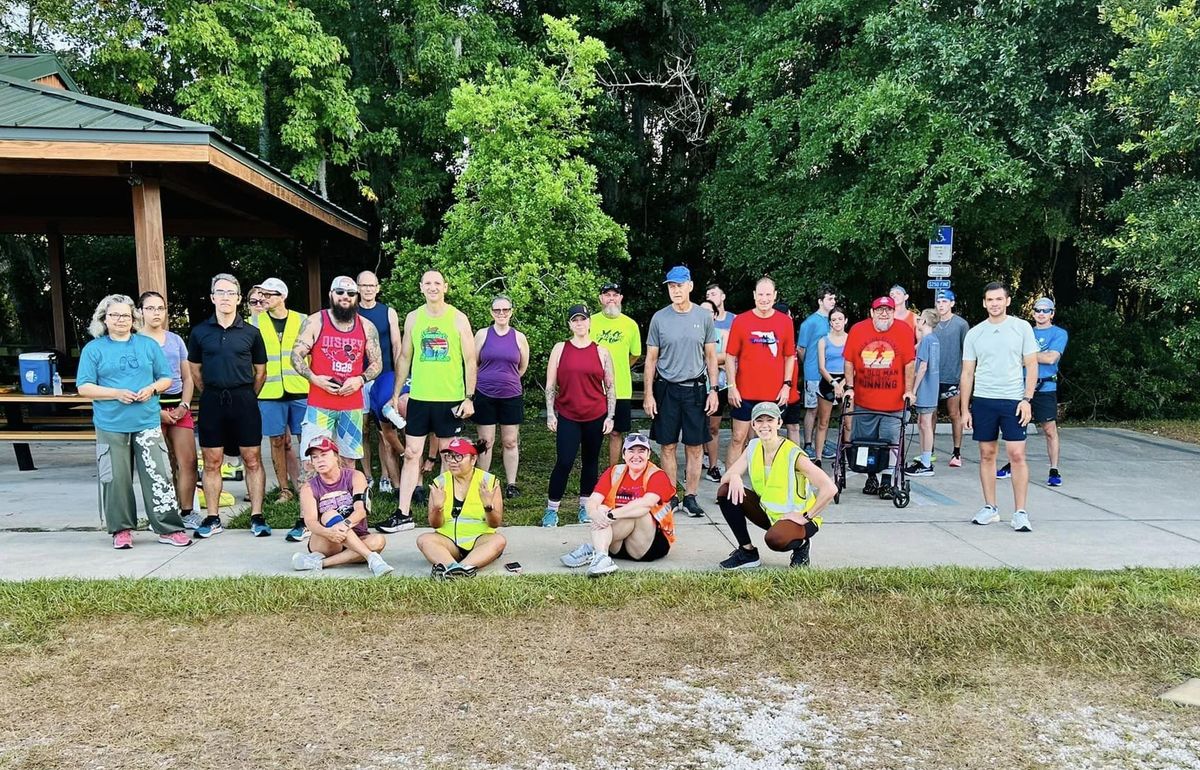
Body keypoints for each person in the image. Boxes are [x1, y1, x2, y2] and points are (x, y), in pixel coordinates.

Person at [78, 294, 191, 550]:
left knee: (158, 474)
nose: (120, 320)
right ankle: (122, 529)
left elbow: (166, 379)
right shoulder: (94, 349)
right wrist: (115, 393)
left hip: (147, 421)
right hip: (110, 423)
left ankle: (169, 528)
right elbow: (84, 386)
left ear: (133, 319)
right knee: (116, 479)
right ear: (104, 319)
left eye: (126, 315)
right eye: (114, 315)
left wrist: (151, 389)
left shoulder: (147, 345)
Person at [380, 270, 477, 534]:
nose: (432, 287)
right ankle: (403, 513)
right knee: (412, 453)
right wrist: (395, 392)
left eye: (437, 283)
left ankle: (446, 513)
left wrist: (469, 397)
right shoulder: (414, 317)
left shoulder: (458, 318)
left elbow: (470, 360)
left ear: (445, 287)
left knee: (449, 458)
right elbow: (404, 358)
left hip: (450, 398)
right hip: (420, 398)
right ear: (421, 287)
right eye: (427, 283)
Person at [187, 273, 269, 538]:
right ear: (212, 297)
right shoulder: (199, 332)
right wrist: (214, 391)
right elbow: (195, 371)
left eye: (230, 293)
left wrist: (244, 395)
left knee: (252, 459)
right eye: (219, 292)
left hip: (244, 400)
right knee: (212, 462)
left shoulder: (252, 333)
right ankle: (212, 518)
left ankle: (257, 516)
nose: (225, 297)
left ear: (238, 298)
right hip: (212, 400)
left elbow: (260, 373)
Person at [717, 402, 835, 570]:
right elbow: (725, 479)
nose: (765, 425)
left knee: (775, 539)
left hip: (797, 519)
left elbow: (830, 489)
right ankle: (747, 552)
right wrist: (734, 475)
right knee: (726, 491)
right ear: (753, 425)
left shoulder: (793, 454)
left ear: (779, 423)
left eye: (770, 420)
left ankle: (801, 545)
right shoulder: (754, 446)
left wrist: (805, 517)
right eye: (759, 421)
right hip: (770, 513)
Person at [961, 282, 1040, 532]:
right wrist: (965, 409)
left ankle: (1020, 512)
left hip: (1014, 400)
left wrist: (1027, 399)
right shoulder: (975, 333)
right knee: (987, 455)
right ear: (984, 303)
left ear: (1007, 301)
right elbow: (967, 373)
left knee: (1017, 455)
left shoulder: (1021, 328)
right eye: (989, 300)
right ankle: (990, 508)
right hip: (984, 400)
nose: (994, 304)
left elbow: (1032, 365)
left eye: (998, 299)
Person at [290, 276, 383, 481]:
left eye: (350, 294)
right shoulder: (316, 321)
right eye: (340, 292)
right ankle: (312, 507)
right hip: (319, 404)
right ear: (331, 294)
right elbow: (296, 356)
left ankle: (348, 503)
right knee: (312, 459)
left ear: (356, 297)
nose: (345, 297)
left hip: (351, 404)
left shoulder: (366, 326)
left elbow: (377, 363)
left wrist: (360, 379)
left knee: (349, 458)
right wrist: (314, 378)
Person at [644, 266, 719, 517]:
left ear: (690, 286)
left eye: (679, 285)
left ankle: (691, 496)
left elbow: (710, 356)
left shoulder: (703, 317)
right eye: (671, 286)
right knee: (667, 445)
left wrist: (714, 390)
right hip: (666, 389)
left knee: (695, 446)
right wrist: (648, 394)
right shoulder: (659, 318)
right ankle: (671, 495)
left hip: (696, 389)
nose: (675, 290)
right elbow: (651, 360)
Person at [560, 432, 677, 577]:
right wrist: (595, 514)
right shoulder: (614, 472)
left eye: (641, 451)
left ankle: (593, 549)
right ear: (623, 455)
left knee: (637, 511)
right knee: (600, 508)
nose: (636, 456)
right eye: (631, 451)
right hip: (618, 543)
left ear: (648, 455)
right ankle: (602, 556)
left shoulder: (657, 475)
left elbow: (646, 503)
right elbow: (592, 501)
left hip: (648, 544)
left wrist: (611, 515)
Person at [544, 304, 616, 526]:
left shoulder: (602, 352)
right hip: (568, 415)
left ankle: (585, 507)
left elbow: (611, 387)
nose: (579, 323)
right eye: (575, 320)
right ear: (570, 324)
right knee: (564, 461)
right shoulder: (560, 349)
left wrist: (610, 416)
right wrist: (550, 414)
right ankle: (551, 509)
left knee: (590, 462)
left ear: (589, 322)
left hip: (595, 414)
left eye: (583, 319)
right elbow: (550, 385)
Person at [843, 296, 916, 497]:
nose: (884, 313)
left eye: (888, 310)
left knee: (890, 441)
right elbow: (849, 361)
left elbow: (909, 363)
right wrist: (849, 387)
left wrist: (909, 390)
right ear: (872, 312)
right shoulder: (858, 330)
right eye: (880, 310)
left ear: (894, 312)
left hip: (893, 402)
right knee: (865, 441)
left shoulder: (904, 330)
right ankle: (871, 478)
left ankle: (886, 481)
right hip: (865, 401)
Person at [137, 291, 199, 529]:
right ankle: (163, 514)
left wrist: (185, 404)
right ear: (141, 311)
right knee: (159, 464)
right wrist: (155, 411)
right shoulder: (135, 341)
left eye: (160, 308)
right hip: (149, 407)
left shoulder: (175, 340)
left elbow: (187, 376)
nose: (156, 313)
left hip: (178, 405)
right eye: (150, 308)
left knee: (188, 461)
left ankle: (186, 511)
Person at [290, 436, 393, 576]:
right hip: (326, 540)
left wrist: (344, 525)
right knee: (329, 514)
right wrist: (329, 533)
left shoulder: (355, 476)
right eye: (315, 457)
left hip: (356, 534)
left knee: (378, 541)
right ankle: (371, 558)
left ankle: (320, 563)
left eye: (324, 454)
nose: (320, 460)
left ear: (336, 456)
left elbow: (361, 510)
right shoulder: (308, 488)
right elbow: (310, 522)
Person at [725, 278, 796, 470]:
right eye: (760, 294)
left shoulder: (785, 322)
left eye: (768, 295)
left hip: (773, 394)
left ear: (774, 296)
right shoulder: (741, 321)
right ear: (754, 295)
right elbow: (730, 356)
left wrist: (786, 385)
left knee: (770, 441)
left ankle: (769, 489)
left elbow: (790, 356)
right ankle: (728, 487)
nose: (764, 299)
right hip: (745, 393)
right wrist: (732, 387)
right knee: (738, 437)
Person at [251, 278, 307, 521]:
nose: (264, 299)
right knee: (275, 441)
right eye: (261, 295)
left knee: (306, 440)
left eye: (269, 295)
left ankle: (309, 485)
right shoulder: (253, 322)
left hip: (301, 389)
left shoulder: (303, 319)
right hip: (269, 391)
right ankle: (285, 489)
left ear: (282, 296)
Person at [416, 437, 506, 578]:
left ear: (473, 459)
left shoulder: (489, 481)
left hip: (479, 541)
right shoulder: (440, 482)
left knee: (498, 540)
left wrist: (488, 506)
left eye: (458, 456)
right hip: (449, 542)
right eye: (449, 456)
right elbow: (435, 524)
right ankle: (454, 568)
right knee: (424, 540)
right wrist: (437, 508)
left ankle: (461, 568)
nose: (452, 461)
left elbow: (495, 523)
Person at [473, 294, 530, 498]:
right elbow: (474, 363)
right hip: (485, 394)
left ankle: (511, 484)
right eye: (497, 310)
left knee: (510, 441)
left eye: (505, 310)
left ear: (511, 312)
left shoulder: (519, 337)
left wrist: (506, 379)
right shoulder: (482, 335)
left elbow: (522, 367)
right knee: (485, 441)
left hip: (511, 395)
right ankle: (483, 482)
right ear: (491, 312)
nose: (501, 313)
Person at [356, 270, 404, 495]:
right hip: (358, 378)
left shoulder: (388, 312)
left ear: (378, 288)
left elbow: (396, 344)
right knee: (362, 429)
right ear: (358, 288)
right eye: (363, 285)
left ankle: (386, 475)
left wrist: (398, 375)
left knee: (385, 430)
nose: (367, 289)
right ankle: (367, 476)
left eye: (371, 285)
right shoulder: (351, 311)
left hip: (385, 377)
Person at [590, 282, 642, 467]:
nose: (611, 298)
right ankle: (591, 472)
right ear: (600, 298)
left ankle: (613, 472)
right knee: (593, 432)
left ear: (620, 298)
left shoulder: (630, 324)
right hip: (594, 388)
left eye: (615, 294)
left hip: (621, 388)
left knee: (616, 432)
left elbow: (635, 354)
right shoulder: (590, 321)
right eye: (607, 295)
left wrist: (617, 368)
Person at [796, 284, 838, 459]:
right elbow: (800, 348)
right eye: (830, 298)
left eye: (834, 298)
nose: (833, 301)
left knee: (825, 412)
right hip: (814, 372)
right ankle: (807, 443)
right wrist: (808, 365)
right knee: (812, 409)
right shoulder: (810, 322)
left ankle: (822, 441)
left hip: (830, 374)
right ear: (820, 301)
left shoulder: (833, 321)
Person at [932, 289, 970, 467]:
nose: (941, 305)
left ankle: (957, 452)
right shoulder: (931, 322)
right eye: (939, 302)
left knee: (954, 414)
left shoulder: (961, 324)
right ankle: (928, 450)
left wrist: (964, 378)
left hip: (953, 376)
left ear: (952, 303)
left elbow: (967, 353)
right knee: (929, 415)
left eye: (945, 302)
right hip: (932, 377)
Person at [906, 309, 941, 476]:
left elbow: (923, 367)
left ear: (925, 322)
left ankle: (926, 462)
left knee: (925, 424)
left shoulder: (927, 341)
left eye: (920, 319)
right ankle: (924, 456)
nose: (917, 321)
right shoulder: (933, 340)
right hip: (932, 387)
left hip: (926, 388)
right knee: (922, 422)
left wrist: (913, 389)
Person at [814, 306, 849, 465]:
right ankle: (819, 457)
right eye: (834, 320)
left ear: (845, 321)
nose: (837, 322)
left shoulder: (850, 339)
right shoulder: (823, 340)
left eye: (840, 319)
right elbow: (821, 367)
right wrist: (834, 383)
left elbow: (854, 366)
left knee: (848, 422)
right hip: (828, 381)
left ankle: (847, 456)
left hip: (846, 380)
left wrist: (842, 384)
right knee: (823, 422)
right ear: (830, 323)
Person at [700, 298, 730, 482]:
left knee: (713, 428)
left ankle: (712, 467)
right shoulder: (691, 333)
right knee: (696, 427)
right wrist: (714, 359)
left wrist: (708, 357)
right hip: (695, 386)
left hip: (717, 387)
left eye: (709, 311)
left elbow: (726, 356)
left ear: (715, 314)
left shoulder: (723, 334)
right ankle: (693, 467)